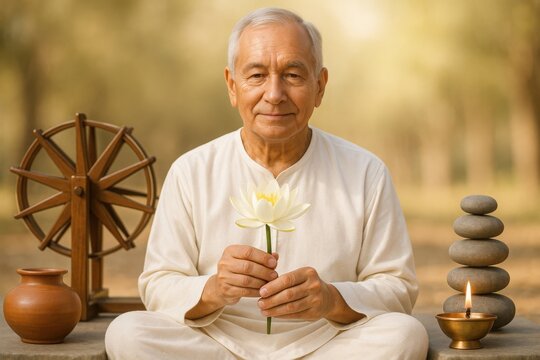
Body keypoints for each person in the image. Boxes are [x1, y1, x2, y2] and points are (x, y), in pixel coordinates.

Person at [105, 7, 429, 359]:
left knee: (404, 334)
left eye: (292, 75)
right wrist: (214, 288)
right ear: (232, 86)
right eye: (257, 75)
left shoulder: (366, 172)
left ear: (319, 87)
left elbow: (398, 288)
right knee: (128, 333)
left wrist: (331, 299)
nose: (274, 94)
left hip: (328, 343)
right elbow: (157, 285)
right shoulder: (191, 171)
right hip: (216, 344)